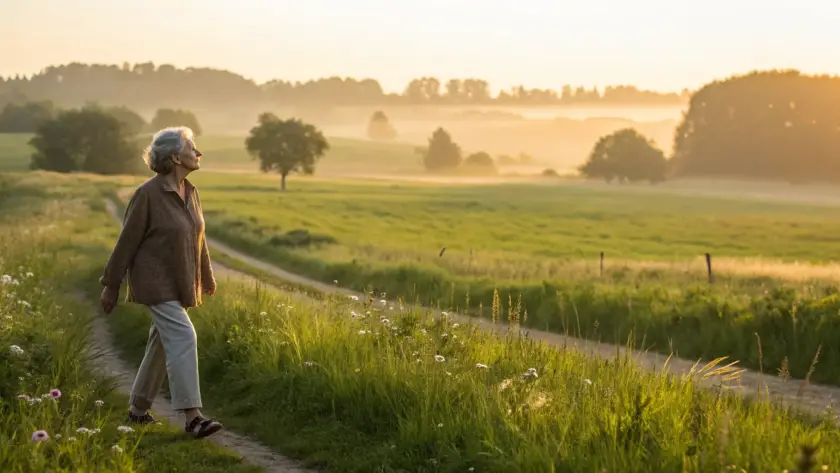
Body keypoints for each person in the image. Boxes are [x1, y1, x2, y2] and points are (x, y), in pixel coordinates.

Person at [99, 126, 222, 439]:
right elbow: (126, 242)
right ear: (174, 156)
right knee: (183, 335)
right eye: (192, 148)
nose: (198, 153)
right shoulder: (148, 195)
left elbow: (198, 237)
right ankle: (193, 417)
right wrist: (111, 283)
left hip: (180, 279)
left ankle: (137, 411)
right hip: (153, 280)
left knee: (161, 344)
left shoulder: (190, 192)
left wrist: (206, 275)